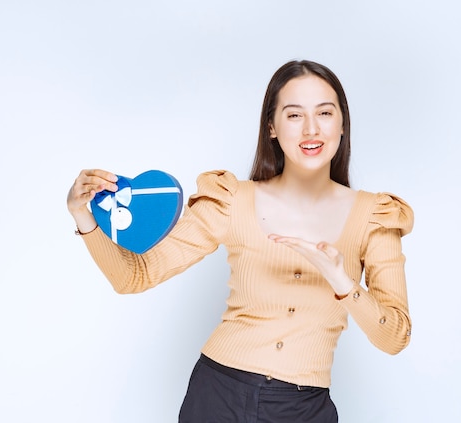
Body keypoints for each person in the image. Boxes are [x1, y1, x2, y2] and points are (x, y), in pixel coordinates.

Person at [67, 60, 414, 422]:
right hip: (218, 395)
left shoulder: (376, 216)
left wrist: (344, 283)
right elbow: (133, 276)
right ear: (272, 128)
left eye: (325, 113)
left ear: (342, 123)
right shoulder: (231, 199)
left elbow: (395, 338)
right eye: (294, 115)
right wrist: (83, 217)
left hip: (303, 409)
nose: (312, 129)